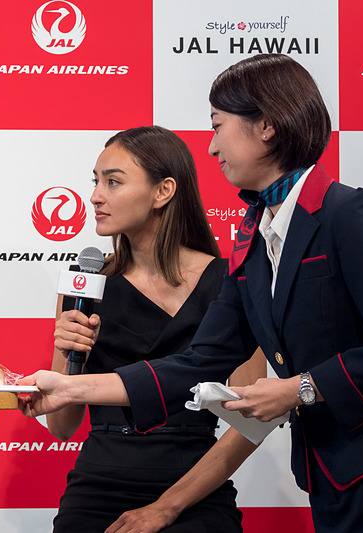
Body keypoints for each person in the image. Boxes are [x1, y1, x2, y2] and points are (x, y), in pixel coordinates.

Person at [20, 54, 363, 533]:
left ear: (267, 127)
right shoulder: (254, 240)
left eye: (219, 126)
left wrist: (300, 388)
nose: (212, 147)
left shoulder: (350, 212)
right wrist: (69, 386)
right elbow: (200, 362)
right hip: (329, 479)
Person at [46, 125, 266, 533]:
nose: (95, 196)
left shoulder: (229, 282)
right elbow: (60, 427)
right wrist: (68, 355)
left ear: (163, 191)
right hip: (97, 486)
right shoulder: (86, 285)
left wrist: (168, 506)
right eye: (95, 181)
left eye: (113, 182)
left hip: (194, 489)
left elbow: (250, 420)